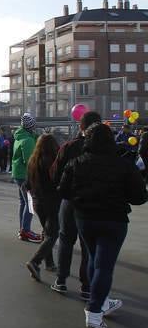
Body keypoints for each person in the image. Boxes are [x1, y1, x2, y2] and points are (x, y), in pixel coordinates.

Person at [59, 123, 147, 328]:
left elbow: (63, 191)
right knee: (104, 266)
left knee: (94, 259)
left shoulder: (76, 163)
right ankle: (95, 309)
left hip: (85, 218)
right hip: (114, 220)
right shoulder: (124, 165)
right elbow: (139, 197)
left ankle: (101, 300)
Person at [50, 111, 101, 297]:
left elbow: (54, 173)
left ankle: (61, 280)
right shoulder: (105, 149)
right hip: (93, 202)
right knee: (88, 244)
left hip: (70, 199)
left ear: (81, 126)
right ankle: (86, 285)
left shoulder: (69, 147)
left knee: (65, 240)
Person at [24, 134, 60, 281]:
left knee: (47, 231)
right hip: (51, 201)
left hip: (38, 202)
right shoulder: (52, 161)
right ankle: (35, 261)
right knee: (53, 233)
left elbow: (26, 184)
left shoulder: (33, 161)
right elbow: (57, 181)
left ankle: (49, 263)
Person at [12, 113, 40, 243]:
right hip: (25, 175)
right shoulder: (28, 140)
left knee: (23, 202)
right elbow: (30, 160)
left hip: (18, 173)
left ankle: (23, 228)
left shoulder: (20, 136)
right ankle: (26, 230)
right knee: (29, 203)